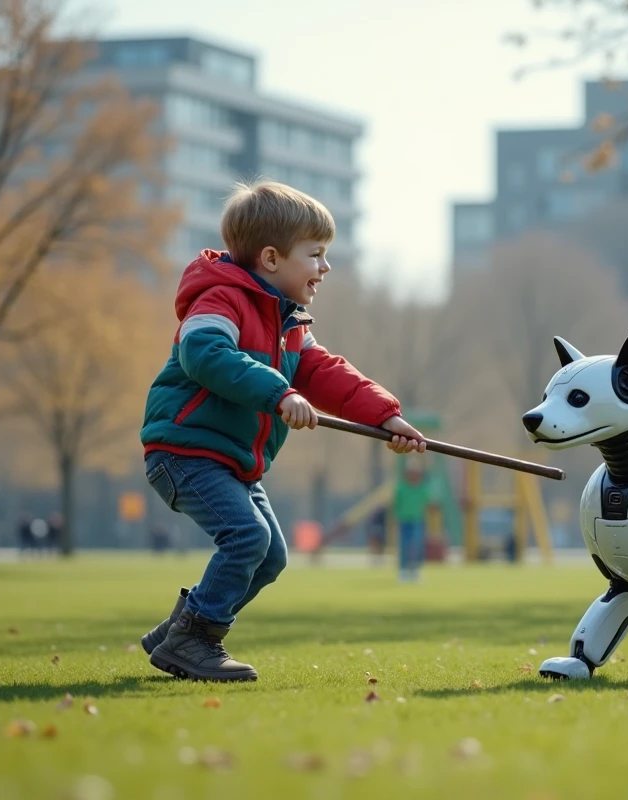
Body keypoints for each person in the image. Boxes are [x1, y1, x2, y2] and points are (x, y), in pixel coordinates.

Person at [138, 180, 426, 682]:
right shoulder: (219, 299)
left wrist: (385, 415)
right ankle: (196, 638)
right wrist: (280, 393)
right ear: (271, 258)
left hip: (234, 465)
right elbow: (204, 354)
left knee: (270, 556)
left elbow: (323, 372)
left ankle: (180, 630)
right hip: (185, 451)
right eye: (315, 255)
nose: (325, 267)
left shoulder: (288, 322)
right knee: (246, 537)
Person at [392, 460, 435, 583]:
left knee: (417, 546)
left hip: (417, 520)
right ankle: (404, 570)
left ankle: (415, 570)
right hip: (404, 520)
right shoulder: (401, 487)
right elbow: (396, 503)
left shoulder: (422, 488)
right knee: (404, 546)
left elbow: (429, 502)